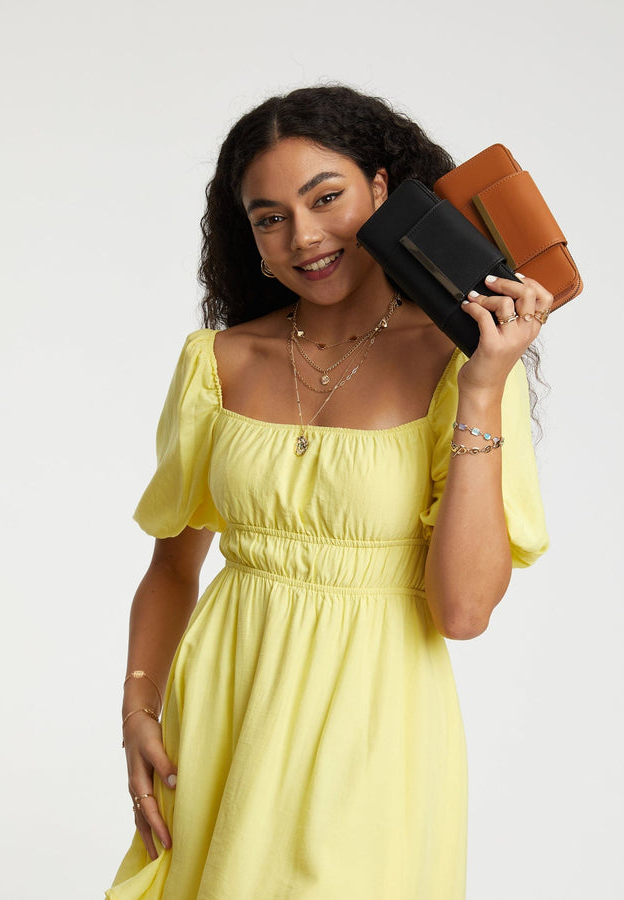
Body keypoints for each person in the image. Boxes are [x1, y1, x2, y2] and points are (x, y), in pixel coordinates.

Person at [107, 85, 550, 900]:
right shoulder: (218, 362)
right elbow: (173, 565)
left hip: (371, 735)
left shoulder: (463, 367)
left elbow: (463, 612)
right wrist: (138, 709)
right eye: (270, 217)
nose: (303, 237)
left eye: (325, 198)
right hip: (221, 714)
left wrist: (485, 388)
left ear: (382, 191)